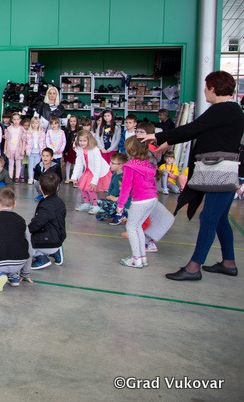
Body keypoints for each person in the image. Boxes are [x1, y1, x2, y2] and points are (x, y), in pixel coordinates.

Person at [140, 71, 244, 281]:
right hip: (224, 171)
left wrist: (158, 136)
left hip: (219, 173)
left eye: (206, 87)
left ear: (213, 88)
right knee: (220, 218)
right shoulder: (231, 110)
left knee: (209, 218)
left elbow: (193, 128)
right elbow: (202, 132)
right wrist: (167, 143)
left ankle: (193, 268)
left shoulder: (223, 109)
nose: (205, 91)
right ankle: (228, 263)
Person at [117, 136, 176, 268]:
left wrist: (120, 205)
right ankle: (142, 258)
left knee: (131, 227)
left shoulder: (130, 166)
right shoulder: (148, 165)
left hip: (141, 200)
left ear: (130, 151)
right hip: (152, 199)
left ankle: (136, 259)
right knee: (138, 227)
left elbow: (126, 187)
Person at [67, 129, 112, 215]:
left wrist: (95, 181)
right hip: (89, 170)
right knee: (82, 187)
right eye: (80, 140)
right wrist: (73, 177)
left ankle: (96, 205)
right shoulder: (80, 149)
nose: (82, 143)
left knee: (90, 188)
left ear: (89, 140)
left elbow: (98, 166)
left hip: (97, 171)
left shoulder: (95, 150)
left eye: (84, 141)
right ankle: (87, 203)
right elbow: (78, 164)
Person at [28, 171, 67, 270]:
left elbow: (37, 224)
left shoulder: (45, 206)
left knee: (24, 241)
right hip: (59, 238)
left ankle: (41, 258)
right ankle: (55, 252)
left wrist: (26, 230)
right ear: (57, 187)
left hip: (49, 241)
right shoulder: (60, 202)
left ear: (40, 187)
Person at [98, 153, 130, 224]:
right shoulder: (114, 175)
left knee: (104, 204)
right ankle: (114, 212)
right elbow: (110, 188)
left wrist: (116, 199)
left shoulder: (124, 177)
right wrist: (109, 196)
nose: (110, 164)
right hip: (113, 200)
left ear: (120, 165)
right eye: (110, 162)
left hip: (121, 202)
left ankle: (123, 213)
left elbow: (127, 194)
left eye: (113, 163)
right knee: (99, 214)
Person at [5, 113, 25, 183]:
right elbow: (6, 139)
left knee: (18, 163)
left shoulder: (22, 129)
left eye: (17, 119)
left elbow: (23, 140)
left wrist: (23, 150)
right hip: (10, 148)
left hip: (18, 149)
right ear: (12, 120)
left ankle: (17, 177)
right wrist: (5, 149)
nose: (16, 121)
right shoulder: (9, 129)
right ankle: (10, 176)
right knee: (11, 163)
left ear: (20, 120)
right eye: (14, 119)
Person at [26, 116, 46, 185]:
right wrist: (27, 149)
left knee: (37, 166)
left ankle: (35, 178)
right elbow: (27, 142)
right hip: (31, 152)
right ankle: (30, 178)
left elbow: (43, 142)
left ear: (39, 124)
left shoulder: (41, 132)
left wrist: (43, 150)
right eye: (33, 123)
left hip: (38, 152)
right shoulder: (29, 132)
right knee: (30, 165)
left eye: (36, 123)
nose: (35, 125)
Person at [63, 115, 79, 180]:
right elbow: (65, 141)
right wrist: (65, 151)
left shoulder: (78, 131)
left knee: (76, 163)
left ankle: (74, 178)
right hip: (69, 149)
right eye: (71, 121)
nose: (73, 123)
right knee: (68, 163)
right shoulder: (66, 131)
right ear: (69, 122)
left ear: (77, 122)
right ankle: (67, 178)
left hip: (75, 149)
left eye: (74, 121)